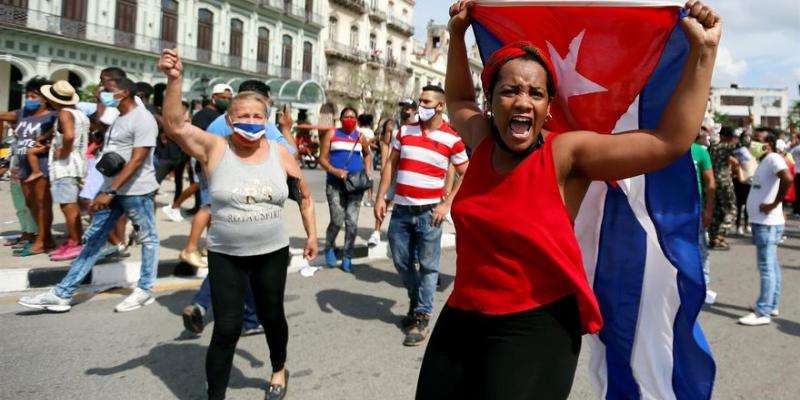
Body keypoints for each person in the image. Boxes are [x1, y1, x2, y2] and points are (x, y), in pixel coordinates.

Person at [412, 1, 721, 398]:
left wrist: (703, 52)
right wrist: (457, 35)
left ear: (546, 107)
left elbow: (669, 142)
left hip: (535, 328)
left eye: (535, 93)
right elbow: (457, 101)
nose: (523, 100)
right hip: (462, 316)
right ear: (491, 103)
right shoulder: (482, 140)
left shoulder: (566, 155)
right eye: (510, 91)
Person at [159, 48, 317, 400]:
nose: (250, 121)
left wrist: (312, 236)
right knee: (227, 327)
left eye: (257, 116)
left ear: (267, 120)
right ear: (229, 120)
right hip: (226, 253)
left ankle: (278, 368)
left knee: (272, 316)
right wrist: (174, 80)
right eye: (242, 115)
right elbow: (175, 126)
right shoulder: (215, 148)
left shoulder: (280, 153)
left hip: (271, 252)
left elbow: (304, 196)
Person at [18, 77, 161, 313]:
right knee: (93, 240)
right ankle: (62, 294)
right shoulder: (119, 117)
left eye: (107, 89)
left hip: (136, 191)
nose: (102, 93)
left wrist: (111, 190)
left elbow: (138, 159)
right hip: (112, 190)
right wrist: (103, 190)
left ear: (124, 92)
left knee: (148, 239)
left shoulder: (143, 118)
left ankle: (144, 289)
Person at [181, 79, 298, 336]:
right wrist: (286, 128)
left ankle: (203, 304)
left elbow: (201, 154)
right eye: (267, 101)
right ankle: (248, 318)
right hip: (249, 201)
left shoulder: (217, 123)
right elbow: (291, 154)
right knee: (248, 261)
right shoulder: (259, 122)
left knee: (232, 259)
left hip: (219, 197)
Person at [374, 84, 470, 347]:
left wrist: (447, 203)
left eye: (427, 102)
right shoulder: (404, 131)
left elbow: (467, 172)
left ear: (440, 106)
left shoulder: (452, 139)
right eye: (420, 101)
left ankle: (422, 316)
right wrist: (381, 197)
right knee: (400, 261)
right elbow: (391, 165)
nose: (421, 106)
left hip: (430, 213)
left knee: (429, 267)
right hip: (402, 211)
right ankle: (417, 301)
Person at [738, 130, 793, 326]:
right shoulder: (766, 159)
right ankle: (772, 304)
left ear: (768, 144)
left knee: (766, 266)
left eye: (758, 140)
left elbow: (787, 178)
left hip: (767, 222)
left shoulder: (772, 159)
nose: (753, 143)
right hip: (765, 222)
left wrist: (773, 204)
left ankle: (763, 311)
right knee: (772, 264)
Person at [0, 76, 58, 256]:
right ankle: (43, 238)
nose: (29, 99)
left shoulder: (53, 115)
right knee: (31, 204)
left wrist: (48, 146)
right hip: (24, 165)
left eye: (34, 96)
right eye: (28, 95)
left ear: (45, 98)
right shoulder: (23, 113)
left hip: (40, 165)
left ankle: (43, 240)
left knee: (43, 205)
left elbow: (62, 136)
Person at [41, 80, 90, 262]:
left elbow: (69, 135)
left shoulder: (64, 113)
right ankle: (74, 240)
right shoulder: (80, 114)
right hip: (77, 163)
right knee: (71, 205)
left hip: (65, 166)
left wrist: (63, 152)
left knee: (68, 206)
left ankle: (75, 243)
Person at [320, 107, 372, 272]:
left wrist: (367, 173)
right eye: (346, 116)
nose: (349, 119)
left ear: (356, 120)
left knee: (352, 223)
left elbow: (368, 154)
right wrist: (335, 171)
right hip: (335, 184)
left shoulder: (360, 137)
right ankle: (329, 247)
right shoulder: (332, 134)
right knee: (337, 220)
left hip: (356, 185)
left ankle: (347, 257)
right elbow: (322, 159)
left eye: (352, 117)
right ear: (340, 119)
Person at [691, 132, 716, 304]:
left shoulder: (700, 151)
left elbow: (710, 183)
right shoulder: (668, 149)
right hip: (669, 209)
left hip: (694, 208)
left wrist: (708, 209)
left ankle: (704, 285)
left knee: (700, 246)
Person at [367, 118, 398, 247]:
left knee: (395, 205)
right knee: (384, 202)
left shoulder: (399, 137)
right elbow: (385, 161)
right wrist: (384, 172)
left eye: (393, 128)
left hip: (401, 173)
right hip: (390, 174)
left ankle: (393, 232)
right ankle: (376, 232)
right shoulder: (384, 142)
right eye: (388, 129)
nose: (390, 132)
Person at [708, 126, 738, 249]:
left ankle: (713, 237)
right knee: (731, 210)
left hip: (713, 180)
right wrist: (749, 126)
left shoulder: (712, 148)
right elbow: (745, 143)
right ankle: (720, 234)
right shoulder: (725, 146)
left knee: (717, 210)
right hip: (724, 181)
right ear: (728, 137)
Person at [357, 113, 376, 206]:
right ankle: (369, 199)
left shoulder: (357, 130)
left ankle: (359, 199)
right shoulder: (370, 132)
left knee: (359, 177)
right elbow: (371, 145)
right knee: (369, 177)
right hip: (368, 155)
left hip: (358, 155)